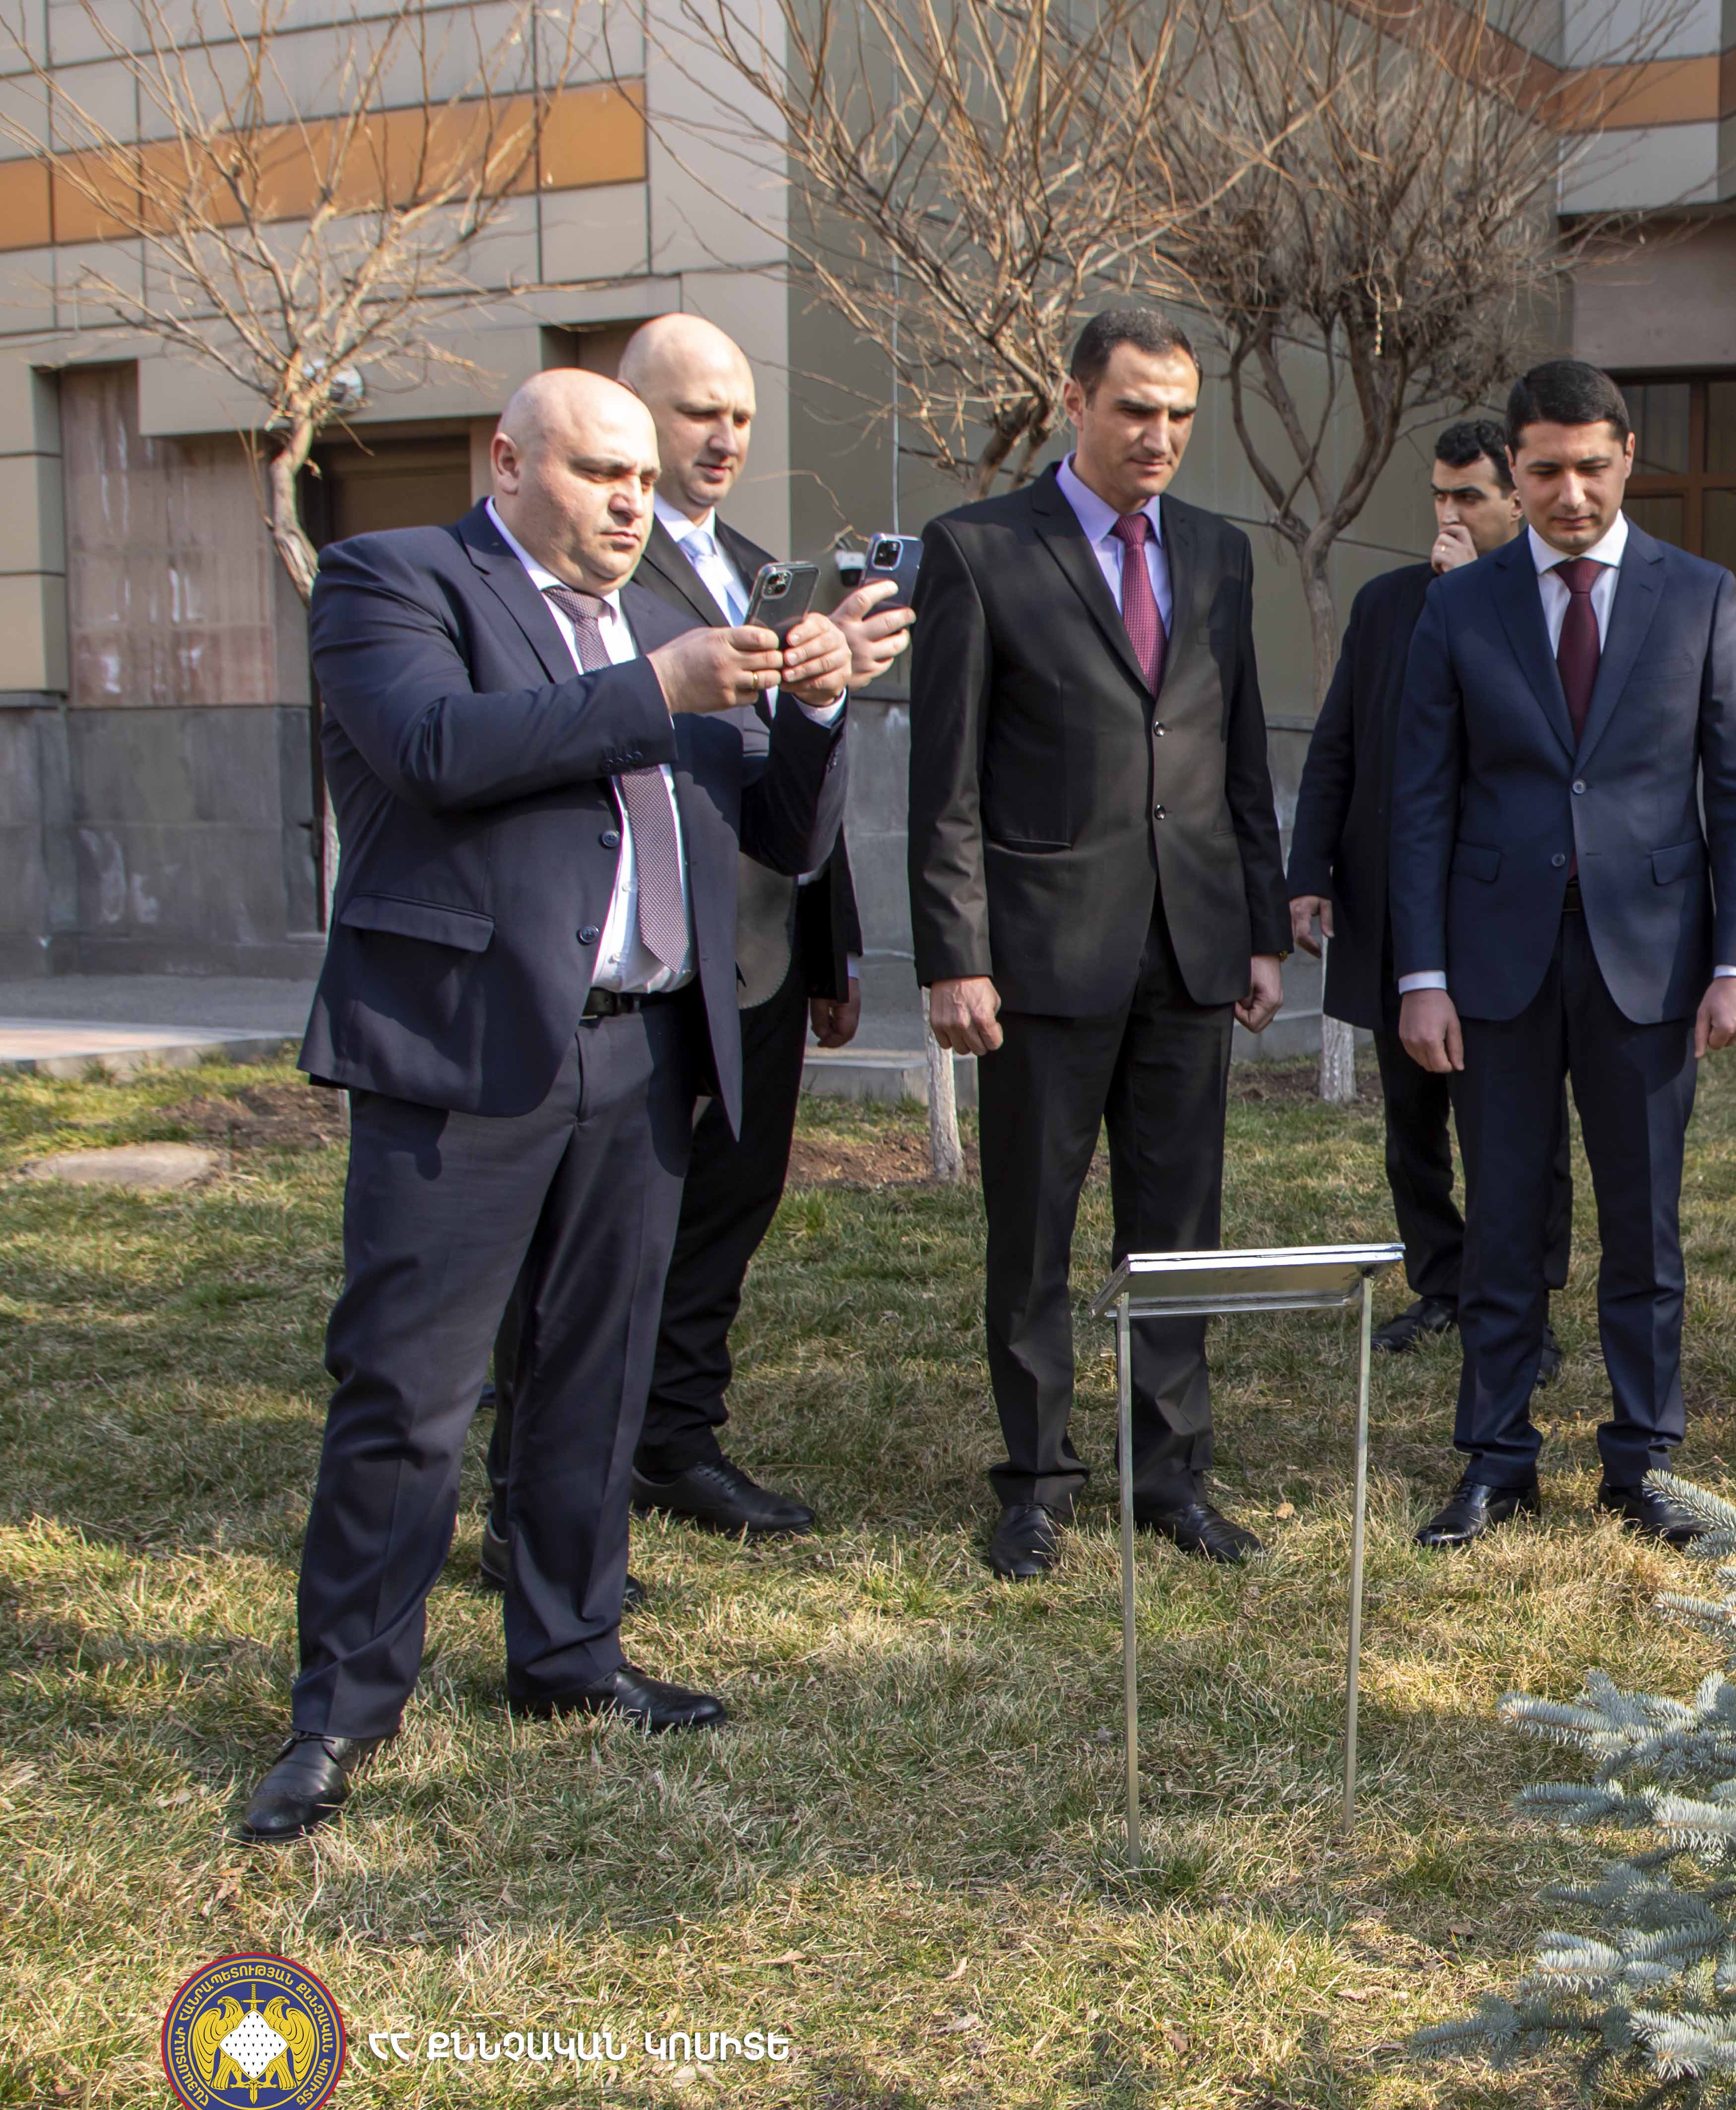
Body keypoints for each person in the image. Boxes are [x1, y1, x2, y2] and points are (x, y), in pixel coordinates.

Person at [240, 369, 852, 1843]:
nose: (633, 502)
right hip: (463, 1053)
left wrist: (819, 708)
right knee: (409, 1393)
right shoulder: (396, 579)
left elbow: (777, 833)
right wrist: (661, 690)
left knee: (597, 1373)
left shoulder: (659, 625)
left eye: (643, 478)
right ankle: (343, 1711)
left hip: (641, 1053)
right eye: (600, 472)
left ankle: (570, 1652)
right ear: (508, 463)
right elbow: (435, 751)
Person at [472, 316, 906, 1593]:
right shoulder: (584, 567)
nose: (721, 439)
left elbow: (793, 776)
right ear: (627, 415)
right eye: (695, 413)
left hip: (756, 953)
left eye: (741, 417)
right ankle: (528, 1489)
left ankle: (672, 1438)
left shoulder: (770, 571)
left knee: (728, 1205)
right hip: (621, 965)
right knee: (576, 1248)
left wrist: (833, 942)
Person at [908, 306, 1289, 1583]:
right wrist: (953, 952)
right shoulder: (977, 551)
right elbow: (946, 777)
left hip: (1191, 942)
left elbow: (1239, 749)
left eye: (1180, 414)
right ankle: (1034, 1482)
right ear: (1075, 402)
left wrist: (1260, 926)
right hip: (1039, 954)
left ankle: (1169, 1473)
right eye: (1135, 409)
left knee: (1178, 1227)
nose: (1159, 436)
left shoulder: (1220, 553)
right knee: (1033, 1226)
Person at [1389, 359, 1736, 1550]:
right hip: (1494, 963)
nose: (1570, 493)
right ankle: (1497, 1460)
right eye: (1545, 470)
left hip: (1651, 960)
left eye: (1592, 467)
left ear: (1628, 458)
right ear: (1513, 469)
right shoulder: (1461, 606)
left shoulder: (1701, 595)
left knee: (1644, 1226)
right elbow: (1421, 798)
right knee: (1503, 1220)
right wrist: (1421, 975)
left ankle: (1644, 1461)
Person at [1285, 421, 1572, 1376]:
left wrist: (1467, 597)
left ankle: (1527, 1299)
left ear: (1515, 502)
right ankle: (1442, 1282)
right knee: (1412, 1118)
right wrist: (1309, 870)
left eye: (1469, 497)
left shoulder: (1546, 606)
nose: (1448, 514)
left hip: (1502, 911)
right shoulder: (1385, 605)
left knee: (1518, 1120)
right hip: (1393, 904)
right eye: (1440, 496)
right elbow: (1339, 742)